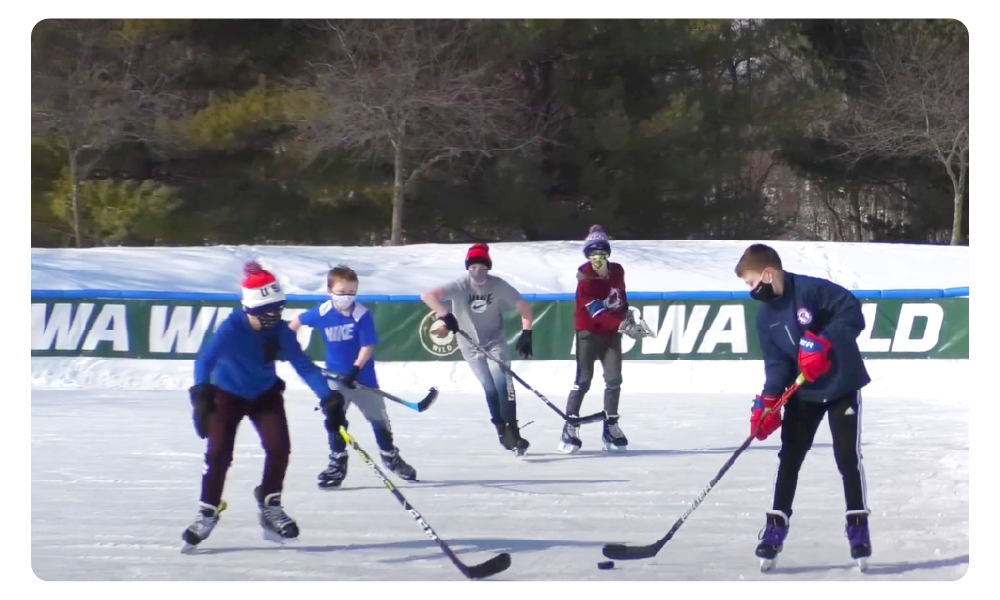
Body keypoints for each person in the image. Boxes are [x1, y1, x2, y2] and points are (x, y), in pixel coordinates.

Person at [183, 261, 346, 551]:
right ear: (251, 310)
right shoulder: (231, 328)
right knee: (218, 453)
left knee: (279, 447)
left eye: (279, 309)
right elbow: (204, 360)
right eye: (269, 311)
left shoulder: (281, 331)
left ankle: (270, 504)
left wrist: (329, 399)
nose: (276, 315)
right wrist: (200, 396)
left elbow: (304, 367)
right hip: (226, 394)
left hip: (264, 394)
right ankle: (208, 510)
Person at [735, 243, 872, 571]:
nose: (752, 291)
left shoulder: (811, 290)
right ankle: (775, 528)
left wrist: (823, 340)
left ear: (768, 274)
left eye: (752, 283)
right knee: (790, 458)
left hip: (841, 386)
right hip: (803, 393)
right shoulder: (765, 318)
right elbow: (777, 362)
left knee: (846, 457)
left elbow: (852, 313)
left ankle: (858, 525)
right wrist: (768, 401)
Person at [290, 265, 417, 489]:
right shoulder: (321, 312)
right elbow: (296, 323)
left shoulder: (361, 314)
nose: (346, 298)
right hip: (335, 379)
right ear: (330, 290)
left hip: (363, 379)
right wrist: (288, 344)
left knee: (378, 419)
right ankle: (337, 461)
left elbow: (367, 345)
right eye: (341, 293)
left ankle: (390, 455)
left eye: (351, 293)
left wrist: (355, 369)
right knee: (334, 418)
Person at [419, 243, 534, 456]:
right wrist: (446, 315)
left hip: (494, 341)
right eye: (473, 268)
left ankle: (514, 431)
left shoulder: (497, 285)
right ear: (467, 269)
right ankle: (501, 429)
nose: (478, 273)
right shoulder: (460, 285)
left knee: (503, 383)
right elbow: (428, 296)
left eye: (482, 268)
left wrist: (527, 331)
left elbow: (522, 305)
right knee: (489, 388)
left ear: (488, 268)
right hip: (469, 344)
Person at [559, 225, 644, 454]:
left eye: (602, 255)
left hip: (611, 334)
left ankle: (611, 426)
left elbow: (620, 296)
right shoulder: (585, 278)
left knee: (614, 379)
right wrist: (623, 326)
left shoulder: (617, 271)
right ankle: (570, 426)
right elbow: (596, 312)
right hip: (589, 332)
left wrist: (628, 317)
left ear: (607, 255)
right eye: (593, 256)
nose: (598, 260)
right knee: (584, 379)